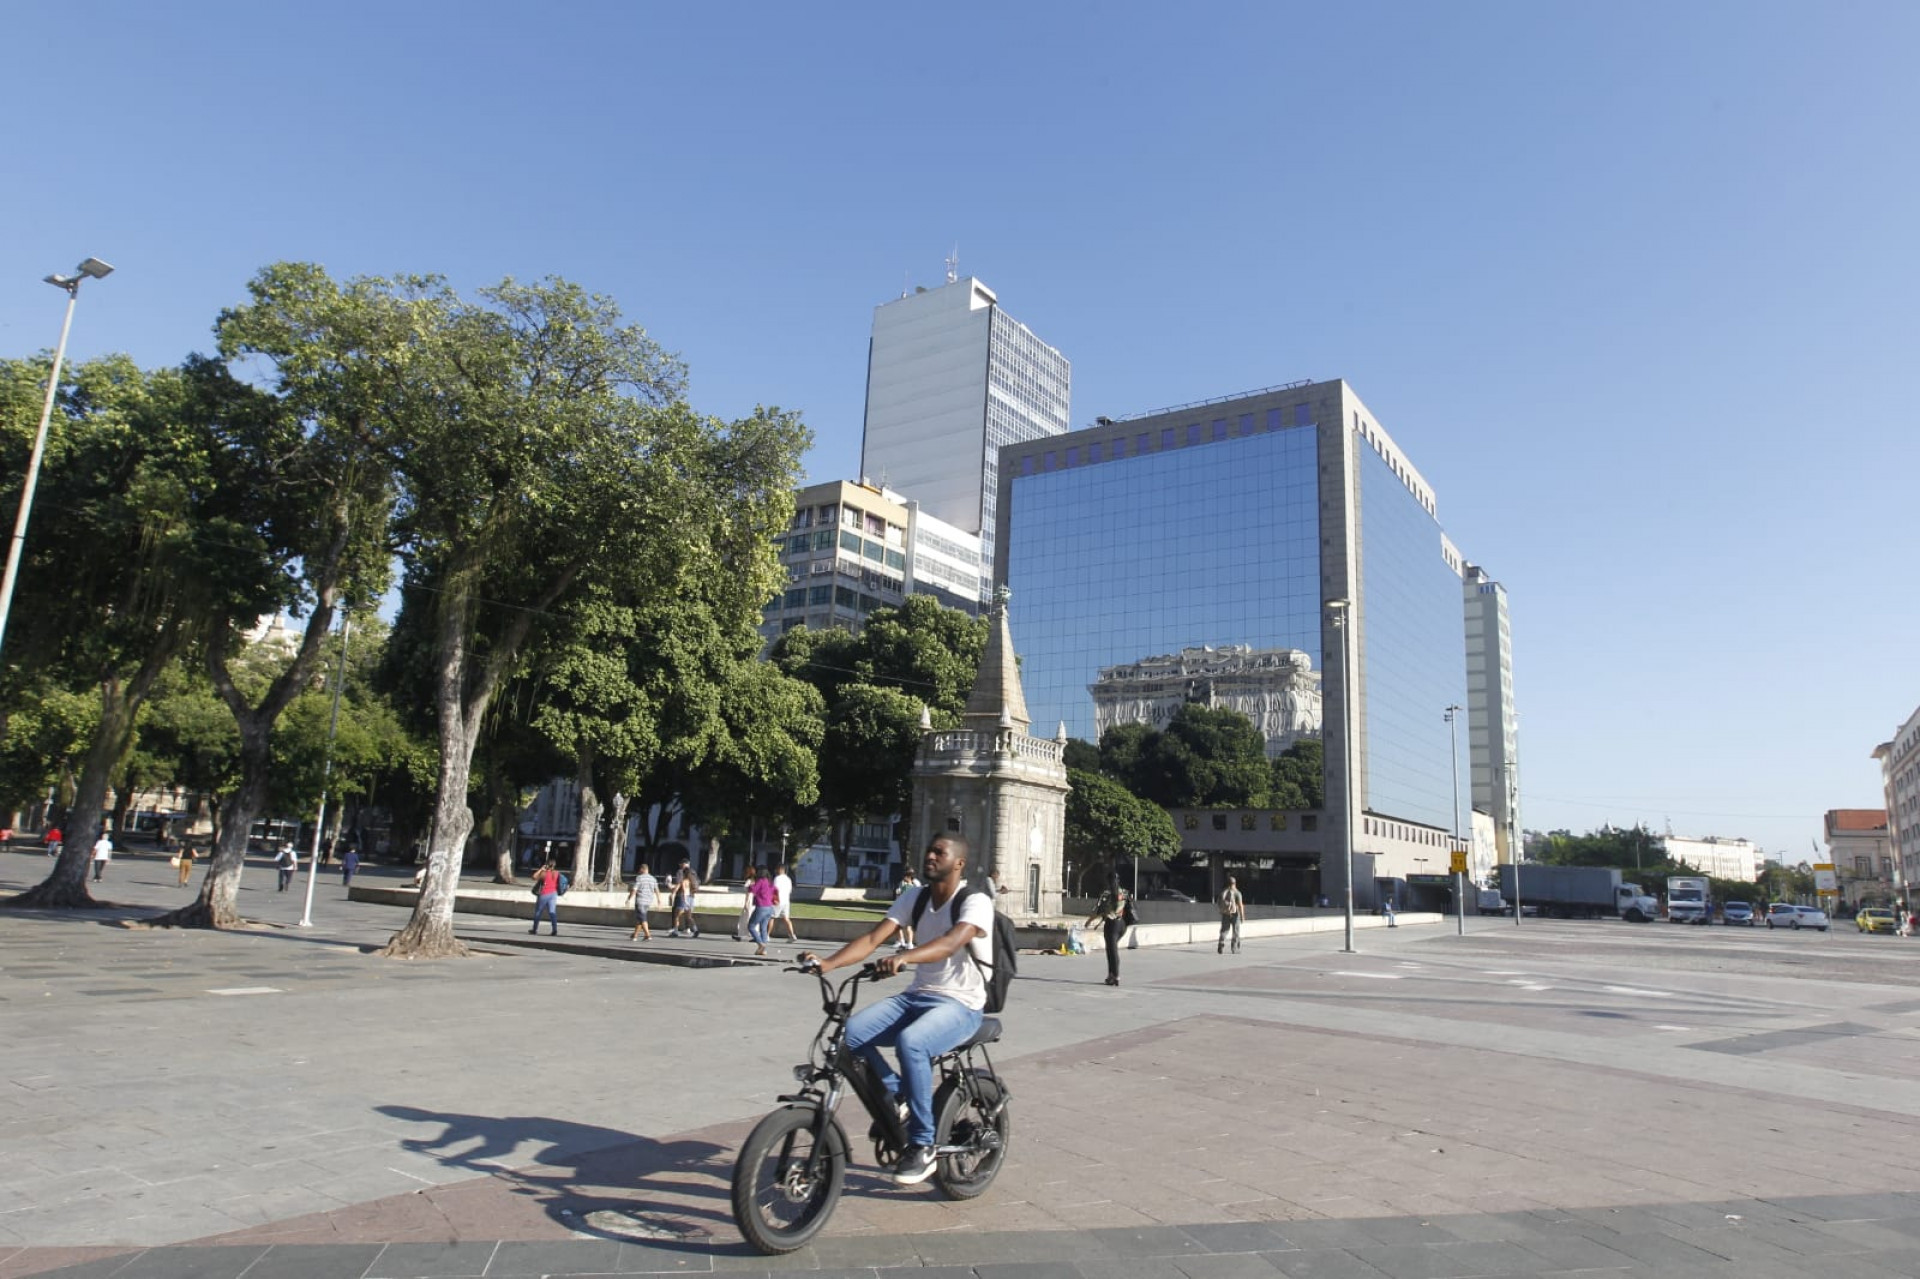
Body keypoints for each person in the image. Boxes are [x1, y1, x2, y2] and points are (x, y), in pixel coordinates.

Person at [799, 834, 993, 1187]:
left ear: (959, 863)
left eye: (939, 852)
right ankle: (898, 1096)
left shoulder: (975, 901)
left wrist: (904, 957)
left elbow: (951, 942)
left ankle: (922, 1145)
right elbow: (873, 940)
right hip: (917, 996)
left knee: (911, 1043)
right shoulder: (914, 897)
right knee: (849, 1036)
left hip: (961, 1003)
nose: (930, 856)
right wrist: (827, 964)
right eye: (928, 850)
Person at [1085, 872, 1132, 987]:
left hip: (1111, 925)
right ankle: (1112, 975)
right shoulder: (1125, 892)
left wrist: (1089, 922)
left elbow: (1098, 911)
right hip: (1122, 925)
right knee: (1113, 950)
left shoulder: (1107, 894)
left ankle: (1114, 976)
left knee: (1111, 952)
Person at [747, 865, 779, 956]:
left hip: (761, 907)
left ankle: (760, 944)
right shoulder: (770, 882)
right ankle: (763, 950)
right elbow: (776, 890)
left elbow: (752, 889)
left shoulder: (761, 881)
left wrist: (750, 884)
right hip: (770, 908)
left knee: (751, 926)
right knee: (763, 928)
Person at [627, 862, 659, 940]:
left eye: (640, 869)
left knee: (642, 918)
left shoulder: (639, 878)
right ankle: (635, 935)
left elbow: (634, 889)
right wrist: (659, 900)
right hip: (648, 901)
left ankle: (648, 935)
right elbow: (657, 890)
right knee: (640, 918)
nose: (639, 871)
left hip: (640, 900)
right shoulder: (653, 879)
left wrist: (629, 899)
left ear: (642, 869)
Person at [530, 860, 563, 935]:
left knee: (538, 911)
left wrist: (541, 869)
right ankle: (554, 929)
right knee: (552, 912)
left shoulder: (544, 873)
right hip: (553, 894)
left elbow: (534, 877)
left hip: (544, 893)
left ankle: (534, 929)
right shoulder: (557, 873)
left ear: (547, 865)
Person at [771, 860, 799, 943]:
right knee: (786, 918)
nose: (776, 870)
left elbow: (774, 890)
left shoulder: (777, 878)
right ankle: (792, 935)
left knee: (771, 917)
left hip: (778, 901)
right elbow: (790, 890)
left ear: (781, 869)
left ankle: (766, 935)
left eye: (777, 869)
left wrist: (774, 899)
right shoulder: (788, 879)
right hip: (786, 901)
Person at [1217, 874, 1244, 955]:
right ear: (1235, 883)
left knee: (1224, 930)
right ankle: (1234, 948)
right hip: (1235, 914)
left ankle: (1221, 942)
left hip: (1225, 913)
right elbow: (1240, 905)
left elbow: (1219, 903)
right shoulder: (1237, 893)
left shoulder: (1224, 892)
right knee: (1235, 931)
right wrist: (1242, 916)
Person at [895, 870, 922, 950]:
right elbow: (899, 893)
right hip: (902, 906)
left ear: (909, 876)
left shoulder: (915, 883)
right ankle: (901, 941)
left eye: (905, 876)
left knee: (908, 926)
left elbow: (919, 893)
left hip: (911, 907)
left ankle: (910, 943)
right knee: (898, 925)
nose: (904, 878)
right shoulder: (902, 883)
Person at [670, 868, 699, 938]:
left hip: (683, 899)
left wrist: (672, 893)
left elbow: (681, 890)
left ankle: (675, 931)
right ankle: (695, 929)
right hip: (690, 899)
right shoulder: (691, 881)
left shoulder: (683, 881)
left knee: (677, 916)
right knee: (689, 917)